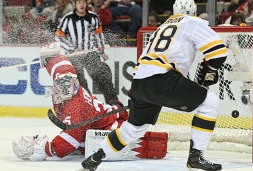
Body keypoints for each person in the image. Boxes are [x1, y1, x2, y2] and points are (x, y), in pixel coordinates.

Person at [81, 0, 228, 170]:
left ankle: (96, 157)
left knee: (134, 129)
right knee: (210, 103)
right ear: (194, 11)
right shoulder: (193, 22)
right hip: (162, 78)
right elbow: (218, 52)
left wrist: (138, 93)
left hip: (140, 81)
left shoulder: (162, 27)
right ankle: (196, 157)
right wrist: (210, 69)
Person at [12, 53, 128, 161]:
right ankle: (83, 144)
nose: (63, 85)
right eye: (61, 83)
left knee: (99, 147)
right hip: (104, 120)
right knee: (86, 138)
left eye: (66, 83)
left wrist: (45, 149)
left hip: (113, 126)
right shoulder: (70, 85)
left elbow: (69, 141)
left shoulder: (78, 107)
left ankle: (84, 145)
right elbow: (64, 70)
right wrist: (50, 58)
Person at [55, 0, 119, 104]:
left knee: (101, 77)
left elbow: (98, 35)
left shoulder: (93, 17)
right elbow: (58, 36)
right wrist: (73, 48)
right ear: (75, 4)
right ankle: (88, 106)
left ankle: (114, 104)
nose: (81, 5)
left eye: (83, 2)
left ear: (86, 4)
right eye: (79, 2)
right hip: (74, 55)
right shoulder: (68, 18)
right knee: (80, 83)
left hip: (90, 53)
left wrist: (101, 51)